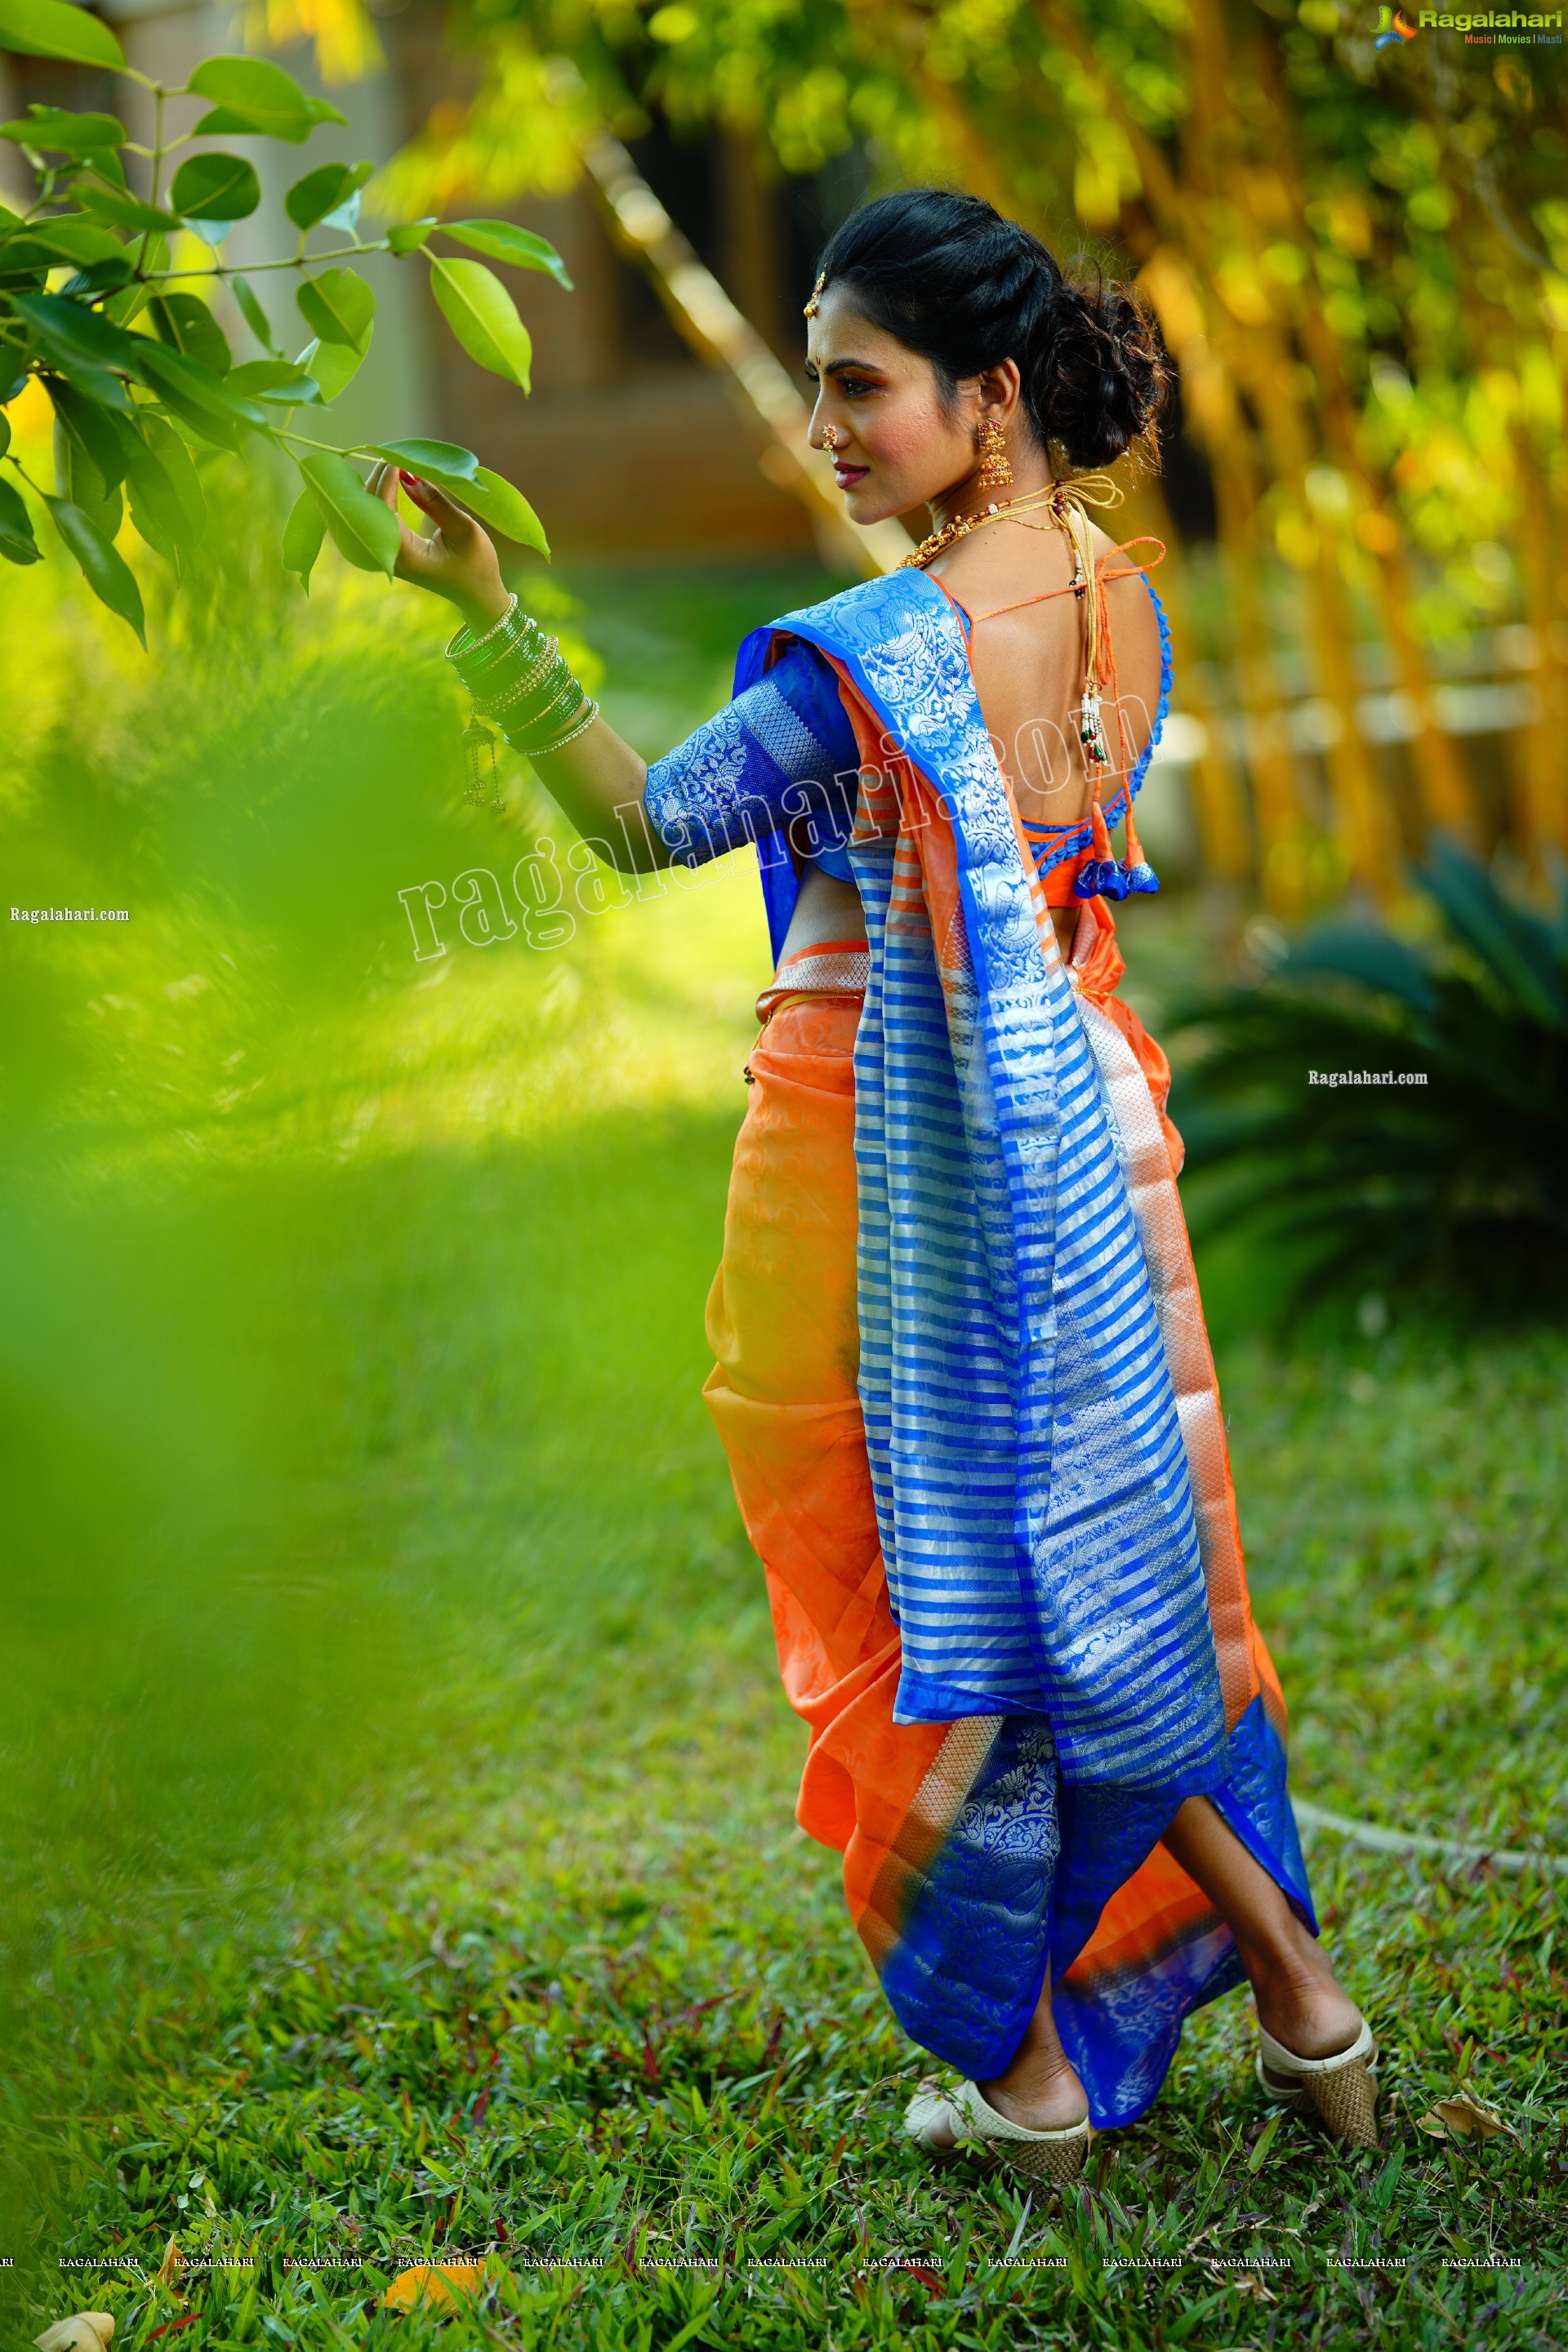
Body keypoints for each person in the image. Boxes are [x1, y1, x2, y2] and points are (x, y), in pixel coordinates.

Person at [372, 188, 1377, 2183]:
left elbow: (654, 825)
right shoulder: (1112, 584)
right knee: (1081, 1584)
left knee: (931, 1605)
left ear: (988, 396)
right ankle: (1297, 1992)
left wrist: (485, 619)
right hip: (1093, 1140)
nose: (827, 426)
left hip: (883, 1171)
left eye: (863, 386)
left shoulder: (879, 657)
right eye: (819, 381)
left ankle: (1025, 2079)